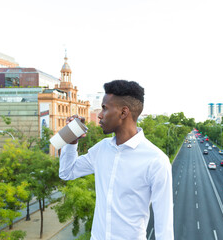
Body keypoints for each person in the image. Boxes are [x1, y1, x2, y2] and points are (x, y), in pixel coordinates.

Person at [59, 80, 174, 240]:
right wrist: (70, 139)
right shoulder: (101, 149)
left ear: (123, 112)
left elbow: (164, 226)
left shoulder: (156, 161)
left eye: (104, 108)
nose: (99, 115)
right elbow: (66, 173)